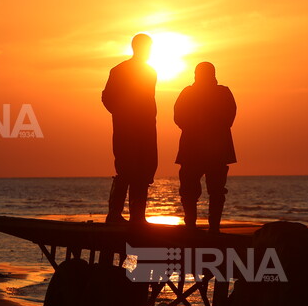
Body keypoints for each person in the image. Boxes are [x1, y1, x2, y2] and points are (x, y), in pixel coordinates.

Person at [173, 62, 237, 232]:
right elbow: (178, 117)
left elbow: (229, 117)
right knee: (191, 191)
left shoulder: (222, 93)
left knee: (211, 191)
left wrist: (200, 126)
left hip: (208, 150)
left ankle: (210, 227)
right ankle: (193, 225)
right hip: (197, 149)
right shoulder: (190, 93)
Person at [101, 33, 158, 224]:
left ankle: (138, 217)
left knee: (143, 172)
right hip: (126, 130)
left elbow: (149, 101)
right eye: (147, 47)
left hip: (146, 129)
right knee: (126, 170)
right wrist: (122, 114)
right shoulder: (119, 71)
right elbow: (107, 97)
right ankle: (115, 215)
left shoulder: (150, 72)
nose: (149, 51)